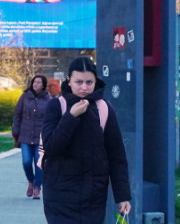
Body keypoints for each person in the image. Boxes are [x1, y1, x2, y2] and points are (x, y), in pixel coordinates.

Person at [41, 56, 131, 223]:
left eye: (89, 82)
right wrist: (70, 117)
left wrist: (123, 196)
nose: (84, 87)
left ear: (95, 81)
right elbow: (51, 147)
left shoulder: (104, 108)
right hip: (60, 196)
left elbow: (116, 155)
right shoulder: (56, 106)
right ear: (69, 81)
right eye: (79, 82)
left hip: (93, 198)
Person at [12, 74, 50, 199]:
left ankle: (37, 188)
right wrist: (15, 132)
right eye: (34, 82)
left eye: (39, 82)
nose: (36, 84)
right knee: (27, 162)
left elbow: (51, 119)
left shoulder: (48, 99)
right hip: (25, 136)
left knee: (39, 164)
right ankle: (31, 181)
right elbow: (17, 115)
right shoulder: (24, 97)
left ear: (43, 85)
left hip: (41, 137)